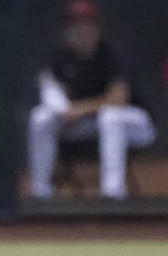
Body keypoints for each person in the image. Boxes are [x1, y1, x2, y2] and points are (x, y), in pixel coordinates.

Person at [27, 0, 156, 200]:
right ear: (66, 30)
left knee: (111, 117)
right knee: (40, 117)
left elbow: (118, 99)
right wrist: (63, 109)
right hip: (89, 122)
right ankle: (41, 190)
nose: (81, 30)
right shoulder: (60, 58)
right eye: (75, 25)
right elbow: (53, 93)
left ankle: (113, 193)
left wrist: (79, 109)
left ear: (97, 28)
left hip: (135, 124)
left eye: (87, 24)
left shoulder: (111, 54)